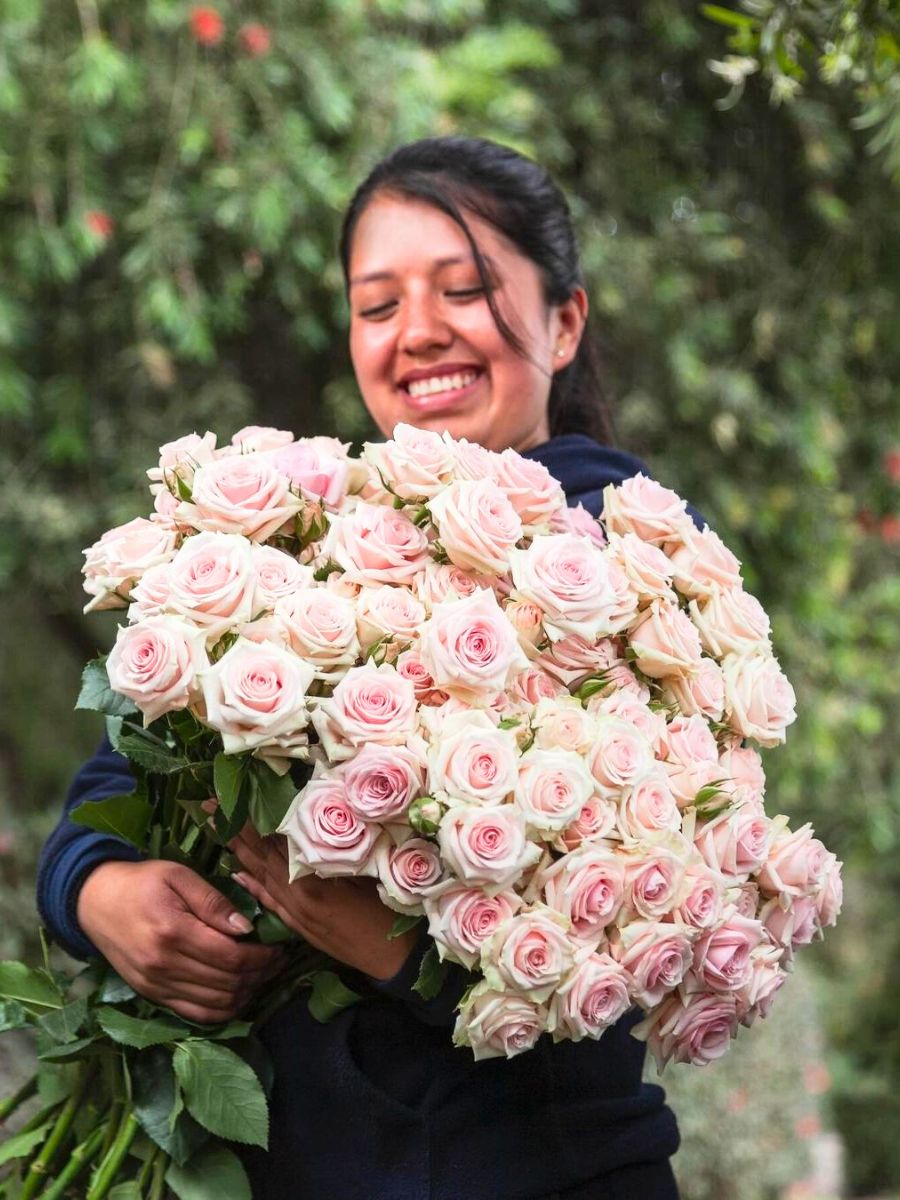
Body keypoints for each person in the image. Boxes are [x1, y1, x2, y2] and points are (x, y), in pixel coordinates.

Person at [38, 136, 692, 1200]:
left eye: (465, 289)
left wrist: (396, 954)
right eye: (377, 305)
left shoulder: (644, 570)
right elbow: (119, 778)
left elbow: (652, 935)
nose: (418, 331)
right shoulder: (302, 539)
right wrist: (101, 889)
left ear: (565, 321)